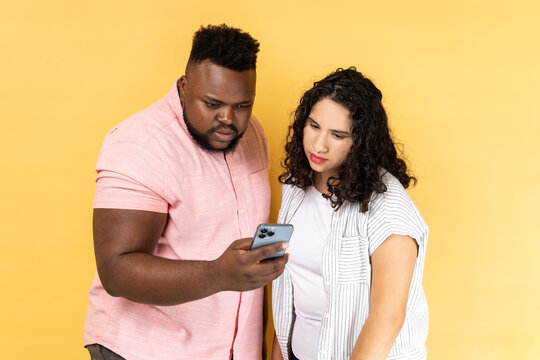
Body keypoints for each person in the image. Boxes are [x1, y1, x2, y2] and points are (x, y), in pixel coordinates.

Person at [84, 24, 289, 360]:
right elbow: (116, 270)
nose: (228, 119)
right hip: (143, 351)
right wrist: (218, 273)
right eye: (212, 103)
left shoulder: (252, 135)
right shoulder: (140, 144)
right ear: (184, 86)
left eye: (242, 105)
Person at [272, 68, 428, 360]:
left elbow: (387, 317)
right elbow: (288, 291)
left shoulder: (390, 210)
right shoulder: (295, 184)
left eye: (338, 135)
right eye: (314, 126)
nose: (319, 145)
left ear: (361, 142)